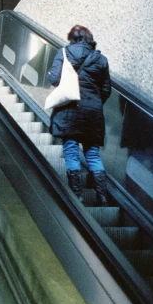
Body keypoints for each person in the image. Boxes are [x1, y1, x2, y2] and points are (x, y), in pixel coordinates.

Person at [48, 25, 111, 206]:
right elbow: (106, 89)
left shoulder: (64, 53)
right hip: (93, 113)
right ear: (89, 39)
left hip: (70, 109)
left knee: (71, 151)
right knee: (92, 154)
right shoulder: (101, 59)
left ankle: (78, 196)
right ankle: (102, 196)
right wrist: (93, 103)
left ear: (71, 38)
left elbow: (54, 79)